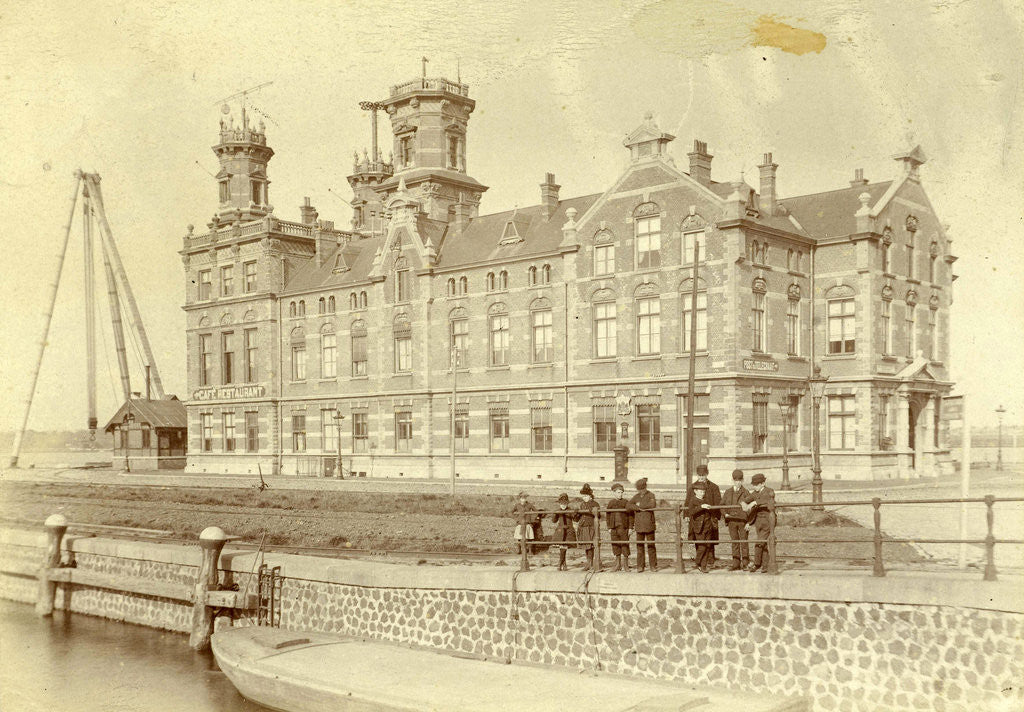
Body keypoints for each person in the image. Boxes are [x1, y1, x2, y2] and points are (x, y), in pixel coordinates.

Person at [686, 464, 721, 566]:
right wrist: (687, 515)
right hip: (697, 518)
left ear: (707, 474)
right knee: (698, 539)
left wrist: (714, 513)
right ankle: (700, 562)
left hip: (710, 517)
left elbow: (717, 502)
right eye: (699, 475)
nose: (701, 477)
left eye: (703, 475)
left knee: (709, 540)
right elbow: (688, 502)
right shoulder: (692, 487)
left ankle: (710, 561)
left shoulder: (714, 487)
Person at [741, 473, 776, 572]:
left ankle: (757, 564)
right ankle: (765, 566)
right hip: (758, 521)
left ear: (763, 483)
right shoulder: (755, 493)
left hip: (768, 521)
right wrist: (743, 503)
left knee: (759, 543)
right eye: (753, 485)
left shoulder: (769, 491)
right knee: (763, 543)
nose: (754, 487)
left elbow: (765, 500)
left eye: (756, 485)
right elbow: (746, 499)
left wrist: (753, 503)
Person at [720, 469, 750, 570]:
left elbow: (750, 509)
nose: (738, 483)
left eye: (740, 480)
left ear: (743, 480)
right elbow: (722, 505)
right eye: (736, 480)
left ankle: (745, 563)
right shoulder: (728, 492)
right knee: (734, 542)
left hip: (742, 521)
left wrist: (748, 522)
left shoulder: (746, 492)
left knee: (744, 542)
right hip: (732, 521)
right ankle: (736, 563)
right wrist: (725, 514)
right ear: (732, 480)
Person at [627, 477, 658, 572]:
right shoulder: (636, 496)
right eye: (640, 489)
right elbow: (628, 506)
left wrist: (639, 506)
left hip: (649, 525)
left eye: (643, 489)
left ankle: (653, 565)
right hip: (639, 526)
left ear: (645, 487)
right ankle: (640, 566)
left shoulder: (651, 495)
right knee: (639, 547)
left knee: (651, 546)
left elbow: (652, 505)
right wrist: (638, 507)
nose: (641, 491)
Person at [686, 481, 716, 572]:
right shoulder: (693, 500)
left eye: (703, 491)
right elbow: (691, 512)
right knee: (702, 546)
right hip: (698, 527)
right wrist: (701, 507)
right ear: (695, 491)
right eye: (700, 491)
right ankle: (697, 562)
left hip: (708, 526)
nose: (702, 493)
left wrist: (710, 508)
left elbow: (710, 511)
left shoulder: (706, 499)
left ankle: (703, 566)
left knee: (707, 546)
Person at [606, 482, 633, 571]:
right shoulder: (611, 503)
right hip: (613, 528)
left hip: (623, 528)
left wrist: (630, 528)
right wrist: (609, 527)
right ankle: (617, 564)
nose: (620, 494)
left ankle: (625, 565)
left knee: (624, 545)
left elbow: (631, 516)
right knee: (615, 545)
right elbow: (608, 515)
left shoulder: (626, 502)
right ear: (614, 493)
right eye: (618, 492)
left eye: (621, 492)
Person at [575, 484, 600, 571]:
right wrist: (577, 513)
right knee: (586, 546)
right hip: (583, 527)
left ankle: (591, 563)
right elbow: (577, 518)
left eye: (586, 496)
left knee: (590, 545)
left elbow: (598, 514)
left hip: (591, 527)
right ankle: (588, 563)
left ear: (590, 496)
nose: (584, 498)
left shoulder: (595, 504)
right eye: (583, 496)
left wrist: (591, 511)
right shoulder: (582, 504)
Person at [550, 493, 576, 571]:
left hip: (568, 531)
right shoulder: (558, 511)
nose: (563, 505)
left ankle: (560, 562)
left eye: (565, 503)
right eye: (561, 504)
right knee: (562, 547)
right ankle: (563, 563)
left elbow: (575, 519)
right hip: (560, 532)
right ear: (559, 504)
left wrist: (575, 513)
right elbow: (554, 521)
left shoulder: (570, 510)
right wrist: (555, 514)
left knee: (564, 547)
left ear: (567, 503)